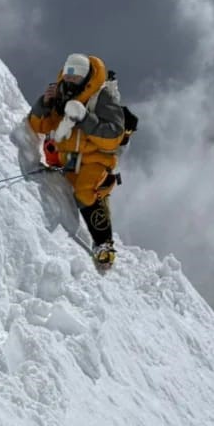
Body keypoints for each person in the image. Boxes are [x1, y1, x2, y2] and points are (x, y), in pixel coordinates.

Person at [27, 53, 137, 269]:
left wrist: (85, 119)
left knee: (85, 192)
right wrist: (45, 103)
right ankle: (100, 192)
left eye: (75, 77)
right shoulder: (60, 94)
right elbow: (40, 126)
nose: (69, 82)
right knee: (69, 191)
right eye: (68, 76)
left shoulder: (101, 98)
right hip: (69, 160)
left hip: (96, 160)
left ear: (86, 78)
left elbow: (113, 137)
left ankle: (105, 246)